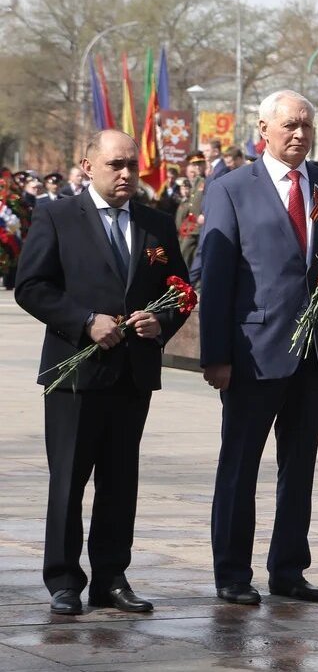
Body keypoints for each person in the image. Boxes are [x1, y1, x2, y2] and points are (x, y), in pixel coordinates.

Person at [14, 129, 190, 616]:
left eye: (132, 165)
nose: (127, 174)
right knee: (68, 479)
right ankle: (64, 579)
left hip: (132, 373)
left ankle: (111, 577)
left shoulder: (156, 223)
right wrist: (85, 321)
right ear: (88, 166)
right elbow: (31, 286)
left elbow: (178, 288)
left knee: (120, 479)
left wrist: (163, 321)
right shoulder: (57, 215)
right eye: (116, 165)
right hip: (75, 374)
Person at [199, 90, 318, 606]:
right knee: (240, 464)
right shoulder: (230, 189)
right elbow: (215, 275)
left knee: (300, 466)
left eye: (307, 126)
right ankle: (232, 573)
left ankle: (288, 569)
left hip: (313, 350)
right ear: (262, 128)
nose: (299, 134)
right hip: (253, 350)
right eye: (290, 125)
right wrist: (215, 355)